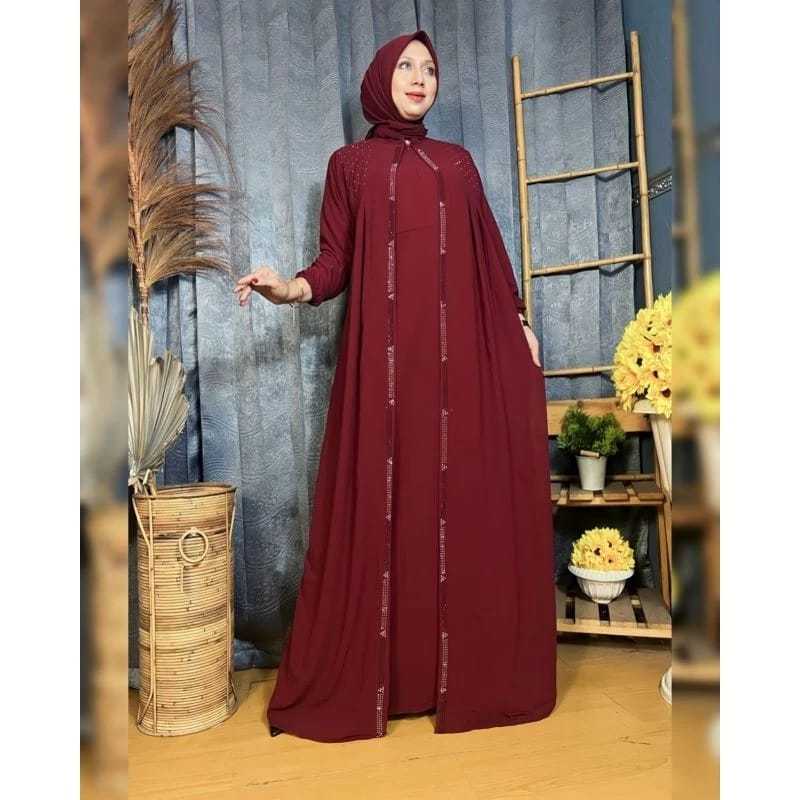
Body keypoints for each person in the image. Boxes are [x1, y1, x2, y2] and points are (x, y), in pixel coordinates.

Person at [235, 30, 556, 743]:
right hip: (382, 373)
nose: (419, 77)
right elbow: (334, 263)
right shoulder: (349, 165)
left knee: (456, 502)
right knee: (390, 503)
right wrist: (286, 288)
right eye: (406, 66)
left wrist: (517, 323)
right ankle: (394, 683)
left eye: (430, 68)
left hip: (459, 367)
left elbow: (488, 252)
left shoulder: (458, 164)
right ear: (381, 77)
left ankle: (460, 681)